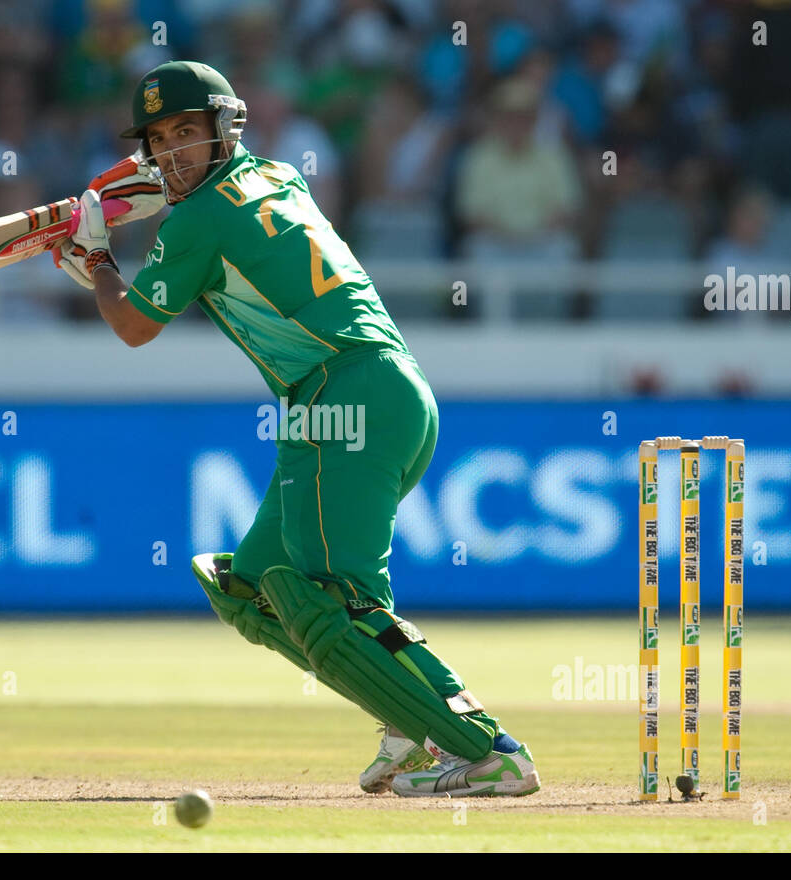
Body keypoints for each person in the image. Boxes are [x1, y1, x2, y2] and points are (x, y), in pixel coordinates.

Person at [51, 60, 539, 798]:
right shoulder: (279, 175)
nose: (175, 151)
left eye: (188, 132)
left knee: (329, 596)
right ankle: (405, 726)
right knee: (250, 587)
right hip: (391, 393)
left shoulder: (197, 221)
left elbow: (132, 325)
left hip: (342, 397)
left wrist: (95, 261)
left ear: (225, 128)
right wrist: (135, 205)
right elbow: (228, 226)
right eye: (159, 140)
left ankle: (487, 748)